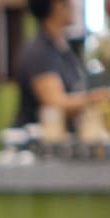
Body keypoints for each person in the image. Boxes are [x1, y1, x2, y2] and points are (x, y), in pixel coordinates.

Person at [13, 0, 110, 128]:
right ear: (57, 5)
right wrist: (97, 97)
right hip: (37, 141)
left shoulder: (62, 47)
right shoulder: (39, 51)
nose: (75, 6)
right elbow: (55, 103)